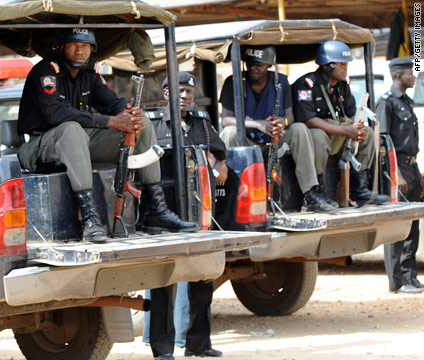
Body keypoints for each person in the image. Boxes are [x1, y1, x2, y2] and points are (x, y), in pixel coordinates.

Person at [17, 28, 196, 242]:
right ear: (62, 47)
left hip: (79, 143)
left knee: (143, 124)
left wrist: (127, 114)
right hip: (39, 146)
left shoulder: (89, 74)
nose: (79, 51)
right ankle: (90, 220)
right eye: (73, 45)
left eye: (85, 46)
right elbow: (57, 113)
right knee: (72, 128)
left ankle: (156, 211)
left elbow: (111, 101)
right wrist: (110, 121)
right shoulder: (46, 71)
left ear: (92, 49)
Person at [144, 72, 223, 360]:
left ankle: (198, 344)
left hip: (196, 211)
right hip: (164, 214)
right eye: (179, 91)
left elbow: (220, 153)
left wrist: (212, 175)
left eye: (189, 91)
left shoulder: (201, 122)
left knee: (202, 279)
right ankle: (162, 350)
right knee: (163, 282)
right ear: (166, 94)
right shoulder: (152, 123)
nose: (185, 96)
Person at [219, 45, 336, 213]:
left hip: (275, 139)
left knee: (299, 129)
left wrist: (282, 123)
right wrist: (258, 124)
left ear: (269, 66)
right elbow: (226, 119)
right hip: (247, 139)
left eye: (259, 64)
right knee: (229, 132)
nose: (253, 68)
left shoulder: (281, 81)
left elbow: (291, 117)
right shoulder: (233, 81)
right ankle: (231, 192)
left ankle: (310, 193)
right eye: (250, 64)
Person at [292, 40, 389, 206]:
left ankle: (359, 188)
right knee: (319, 137)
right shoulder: (306, 84)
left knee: (368, 133)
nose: (345, 68)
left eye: (346, 64)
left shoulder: (343, 85)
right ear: (327, 66)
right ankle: (320, 191)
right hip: (314, 135)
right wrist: (346, 131)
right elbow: (309, 120)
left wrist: (356, 128)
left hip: (337, 133)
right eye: (341, 64)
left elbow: (350, 114)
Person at [376, 56, 424, 294]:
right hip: (397, 171)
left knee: (412, 226)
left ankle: (410, 276)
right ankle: (397, 280)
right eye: (411, 73)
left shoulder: (406, 101)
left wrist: (417, 175)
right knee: (397, 227)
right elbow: (383, 142)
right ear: (398, 75)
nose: (414, 77)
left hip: (411, 168)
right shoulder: (387, 102)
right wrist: (397, 175)